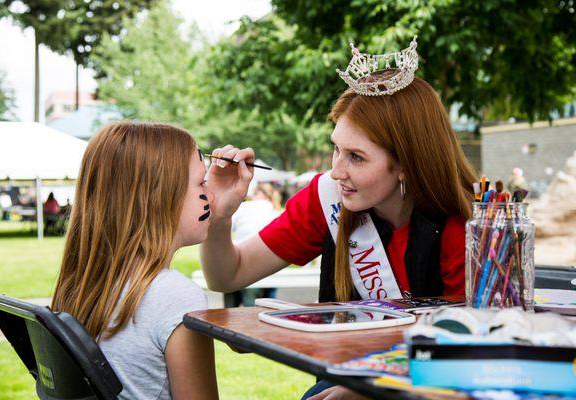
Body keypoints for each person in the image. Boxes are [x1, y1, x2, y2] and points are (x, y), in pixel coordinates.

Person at [200, 38, 477, 399]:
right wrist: (220, 216)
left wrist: (364, 388)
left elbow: (470, 344)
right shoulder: (326, 200)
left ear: (407, 164)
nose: (336, 171)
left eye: (356, 157)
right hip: (350, 373)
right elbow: (225, 276)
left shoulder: (463, 225)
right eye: (336, 148)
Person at [51, 121, 218, 400]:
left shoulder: (84, 285)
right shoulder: (175, 297)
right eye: (201, 182)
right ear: (159, 196)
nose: (211, 195)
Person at [230, 182, 283, 306]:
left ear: (260, 193)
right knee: (270, 298)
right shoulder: (276, 210)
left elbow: (228, 228)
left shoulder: (245, 207)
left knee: (248, 301)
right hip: (272, 265)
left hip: (246, 262)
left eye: (254, 193)